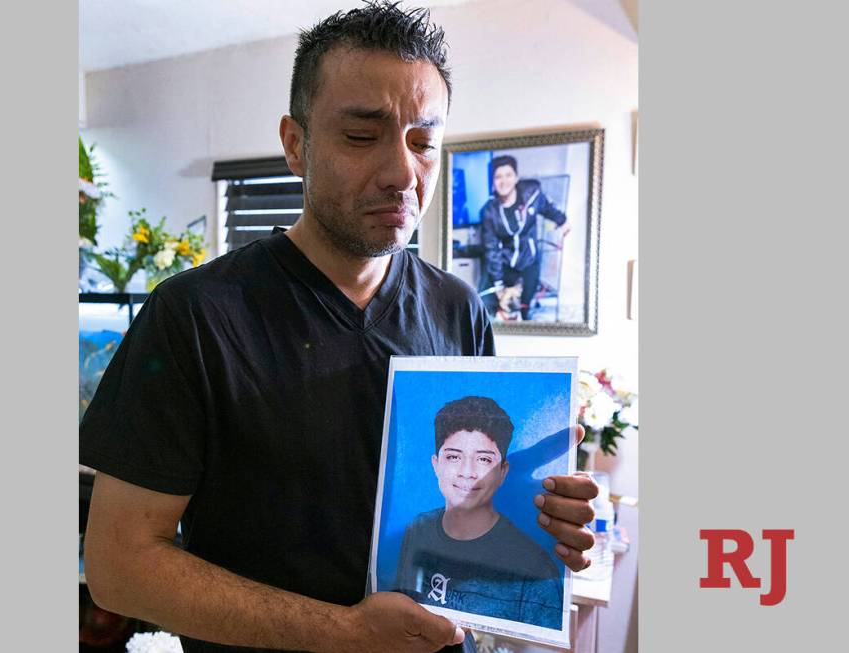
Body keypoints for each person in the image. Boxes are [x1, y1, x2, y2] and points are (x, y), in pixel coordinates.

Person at [80, 3, 597, 652]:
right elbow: (118, 566)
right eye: (362, 136)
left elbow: (466, 531)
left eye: (423, 143)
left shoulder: (457, 307)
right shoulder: (195, 316)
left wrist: (543, 518)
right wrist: (347, 633)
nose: (402, 173)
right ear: (295, 143)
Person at [395, 397, 562, 633]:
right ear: (436, 464)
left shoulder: (535, 568)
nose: (467, 472)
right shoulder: (418, 529)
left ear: (503, 472)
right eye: (453, 456)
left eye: (484, 459)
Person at [478, 155, 570, 321]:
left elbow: (547, 208)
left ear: (516, 177)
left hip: (529, 260)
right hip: (505, 262)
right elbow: (491, 249)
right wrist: (499, 285)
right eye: (498, 177)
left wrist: (562, 221)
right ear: (492, 181)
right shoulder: (489, 212)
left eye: (508, 175)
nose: (503, 181)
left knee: (525, 308)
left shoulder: (532, 195)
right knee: (490, 304)